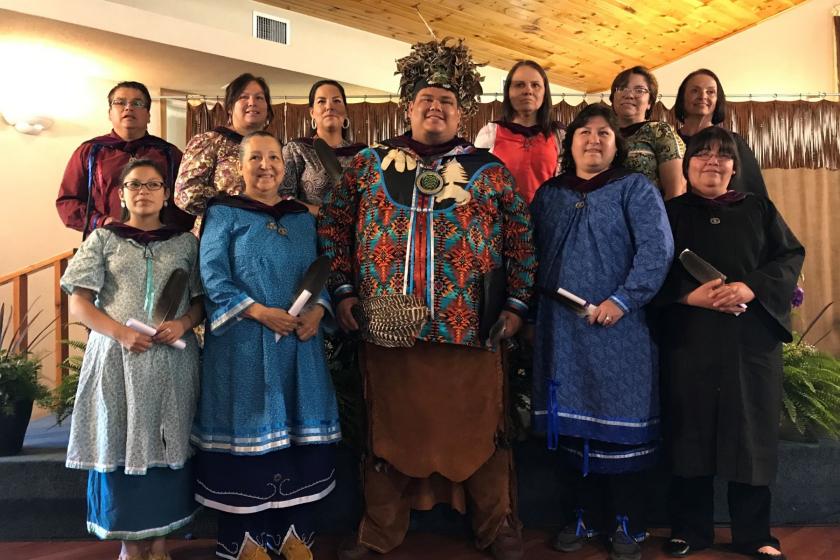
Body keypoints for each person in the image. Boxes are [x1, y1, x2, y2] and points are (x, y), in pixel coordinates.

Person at [319, 38, 536, 560]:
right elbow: (333, 229)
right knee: (388, 434)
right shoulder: (368, 166)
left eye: (446, 100)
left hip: (471, 325)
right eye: (424, 100)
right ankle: (379, 531)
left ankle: (496, 527)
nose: (434, 108)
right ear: (408, 107)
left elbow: (521, 241)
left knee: (483, 432)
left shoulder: (488, 170)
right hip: (390, 325)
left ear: (462, 112)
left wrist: (515, 306)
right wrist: (345, 291)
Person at [530, 104, 674, 560]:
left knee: (620, 430)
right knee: (571, 429)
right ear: (570, 143)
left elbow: (657, 250)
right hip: (560, 330)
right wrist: (530, 317)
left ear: (618, 145)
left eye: (604, 133)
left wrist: (622, 300)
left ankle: (627, 523)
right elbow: (529, 257)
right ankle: (580, 516)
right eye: (585, 132)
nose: (594, 139)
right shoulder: (550, 194)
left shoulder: (635, 189)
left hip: (621, 329)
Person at [656, 127, 804, 560]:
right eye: (703, 155)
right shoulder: (670, 213)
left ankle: (755, 534)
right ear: (687, 164)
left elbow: (789, 256)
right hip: (689, 342)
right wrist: (688, 295)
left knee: (751, 436)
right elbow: (650, 267)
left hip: (750, 342)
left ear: (735, 168)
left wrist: (750, 287)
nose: (713, 162)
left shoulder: (758, 208)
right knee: (689, 435)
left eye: (723, 156)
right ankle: (690, 530)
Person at [192, 131, 340, 560]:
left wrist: (318, 312)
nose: (265, 165)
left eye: (273, 157)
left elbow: (320, 275)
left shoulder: (302, 218)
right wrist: (258, 311)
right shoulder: (222, 214)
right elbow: (212, 277)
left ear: (284, 164)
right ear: (240, 166)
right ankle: (246, 540)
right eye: (254, 157)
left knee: (296, 435)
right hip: (243, 344)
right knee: (249, 438)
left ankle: (295, 533)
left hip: (297, 345)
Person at [61, 158, 204, 560]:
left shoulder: (185, 243)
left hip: (171, 363)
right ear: (121, 194)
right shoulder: (103, 239)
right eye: (134, 185)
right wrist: (120, 331)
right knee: (120, 442)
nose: (143, 191)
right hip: (116, 361)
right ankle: (129, 545)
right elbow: (79, 303)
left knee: (166, 443)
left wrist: (184, 323)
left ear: (166, 193)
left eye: (153, 184)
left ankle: (159, 546)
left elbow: (199, 302)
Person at [56, 81, 194, 237]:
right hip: (106, 242)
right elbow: (67, 202)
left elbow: (187, 202)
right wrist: (102, 222)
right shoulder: (89, 152)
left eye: (137, 103)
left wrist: (167, 229)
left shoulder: (169, 154)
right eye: (120, 102)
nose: (128, 107)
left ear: (148, 115)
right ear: (110, 113)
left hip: (159, 244)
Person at [175, 73, 274, 232]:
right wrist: (236, 205)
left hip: (264, 232)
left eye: (259, 98)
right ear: (229, 108)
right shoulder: (209, 141)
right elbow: (186, 195)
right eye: (244, 97)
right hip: (220, 234)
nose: (252, 102)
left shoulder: (273, 148)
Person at [474, 60, 564, 204]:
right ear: (508, 91)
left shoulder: (558, 135)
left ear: (544, 92)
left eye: (535, 85)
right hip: (504, 222)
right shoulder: (490, 133)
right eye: (519, 85)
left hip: (547, 220)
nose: (528, 90)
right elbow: (478, 186)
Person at [674, 68, 769, 197]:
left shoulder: (734, 142)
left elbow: (754, 195)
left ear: (717, 100)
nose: (703, 96)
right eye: (695, 91)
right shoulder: (668, 141)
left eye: (710, 92)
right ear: (682, 97)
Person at [280, 80, 367, 214]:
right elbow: (284, 197)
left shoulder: (361, 153)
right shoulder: (296, 150)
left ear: (345, 111)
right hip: (308, 230)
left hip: (352, 232)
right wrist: (325, 214)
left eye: (336, 101)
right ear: (312, 112)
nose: (329, 106)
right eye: (321, 101)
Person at [610, 66, 686, 199]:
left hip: (650, 216)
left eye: (639, 90)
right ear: (613, 97)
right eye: (622, 88)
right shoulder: (603, 133)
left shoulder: (660, 131)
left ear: (650, 102)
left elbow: (675, 191)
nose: (629, 95)